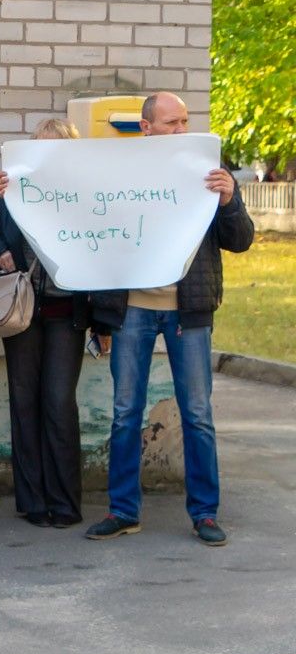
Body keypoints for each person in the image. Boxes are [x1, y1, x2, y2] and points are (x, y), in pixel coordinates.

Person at [80, 92, 254, 547]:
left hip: (188, 310)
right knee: (124, 413)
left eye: (185, 121)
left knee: (197, 414)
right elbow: (97, 235)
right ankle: (123, 510)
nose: (181, 129)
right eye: (172, 122)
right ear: (146, 127)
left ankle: (204, 513)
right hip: (132, 308)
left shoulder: (208, 174)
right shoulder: (120, 173)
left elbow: (240, 241)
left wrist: (230, 200)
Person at [0, 118, 92, 529]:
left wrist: (105, 321)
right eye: (42, 148)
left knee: (59, 403)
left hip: (68, 315)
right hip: (22, 311)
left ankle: (65, 502)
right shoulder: (10, 188)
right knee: (24, 402)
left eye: (58, 148)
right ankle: (32, 502)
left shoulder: (84, 191)